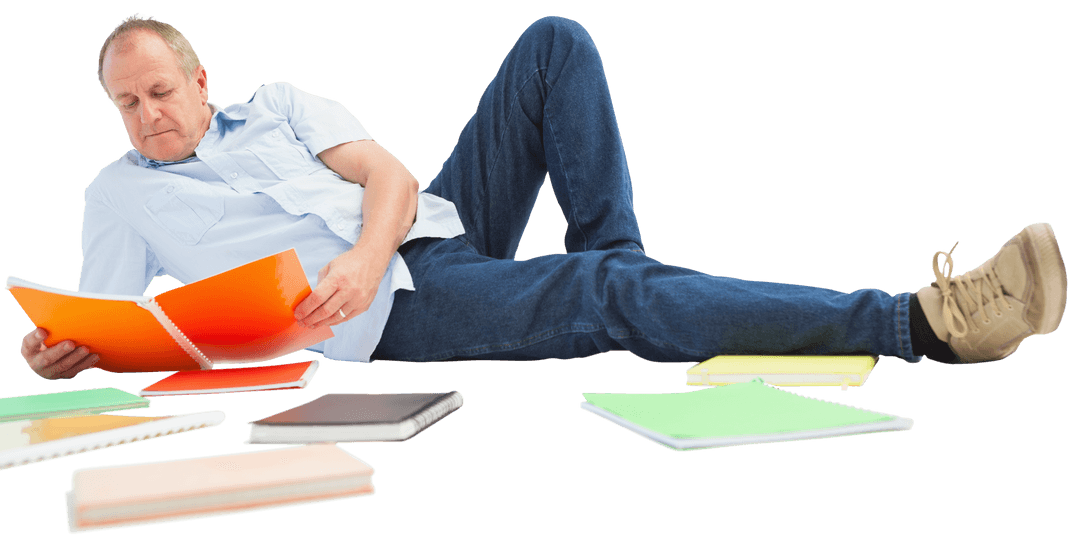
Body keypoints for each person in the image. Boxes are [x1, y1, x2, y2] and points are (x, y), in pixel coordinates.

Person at [20, 14, 1068, 380]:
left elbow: (385, 178)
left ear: (199, 81)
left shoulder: (283, 104)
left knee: (552, 48)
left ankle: (622, 286)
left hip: (420, 231)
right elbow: (112, 323)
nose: (147, 114)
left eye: (159, 91)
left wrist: (359, 251)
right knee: (609, 286)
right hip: (391, 316)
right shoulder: (117, 194)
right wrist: (68, 347)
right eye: (125, 103)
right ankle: (923, 325)